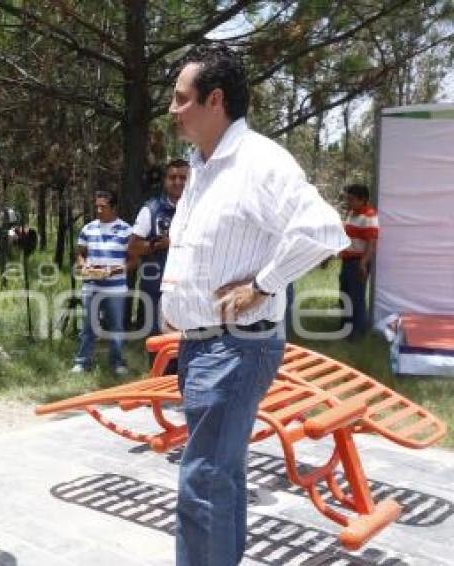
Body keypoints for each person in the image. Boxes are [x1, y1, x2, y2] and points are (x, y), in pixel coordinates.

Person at [161, 44, 348, 565]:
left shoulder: (258, 162)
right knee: (219, 476)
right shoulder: (203, 166)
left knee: (203, 483)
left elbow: (321, 229)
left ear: (214, 99)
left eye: (181, 98)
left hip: (233, 349)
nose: (173, 109)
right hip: (203, 349)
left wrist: (263, 284)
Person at [71, 191, 134, 377]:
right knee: (88, 327)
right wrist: (84, 265)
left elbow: (134, 260)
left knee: (116, 327)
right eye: (96, 206)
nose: (98, 210)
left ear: (113, 207)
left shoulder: (126, 230)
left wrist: (113, 271)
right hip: (91, 286)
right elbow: (81, 253)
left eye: (103, 206)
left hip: (116, 288)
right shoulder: (89, 228)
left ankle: (117, 363)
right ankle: (83, 363)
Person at [128, 159, 189, 340]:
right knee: (159, 341)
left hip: (190, 288)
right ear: (165, 181)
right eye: (173, 177)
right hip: (157, 288)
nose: (178, 182)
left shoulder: (203, 208)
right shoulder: (152, 210)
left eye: (183, 178)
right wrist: (157, 245)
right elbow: (133, 247)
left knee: (188, 343)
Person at [339, 183, 379, 339]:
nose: (348, 202)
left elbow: (371, 242)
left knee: (356, 298)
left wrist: (363, 263)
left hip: (358, 262)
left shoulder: (369, 215)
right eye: (348, 199)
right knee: (345, 296)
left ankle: (357, 333)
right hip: (347, 260)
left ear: (363, 200)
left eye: (351, 199)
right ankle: (345, 328)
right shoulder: (351, 214)